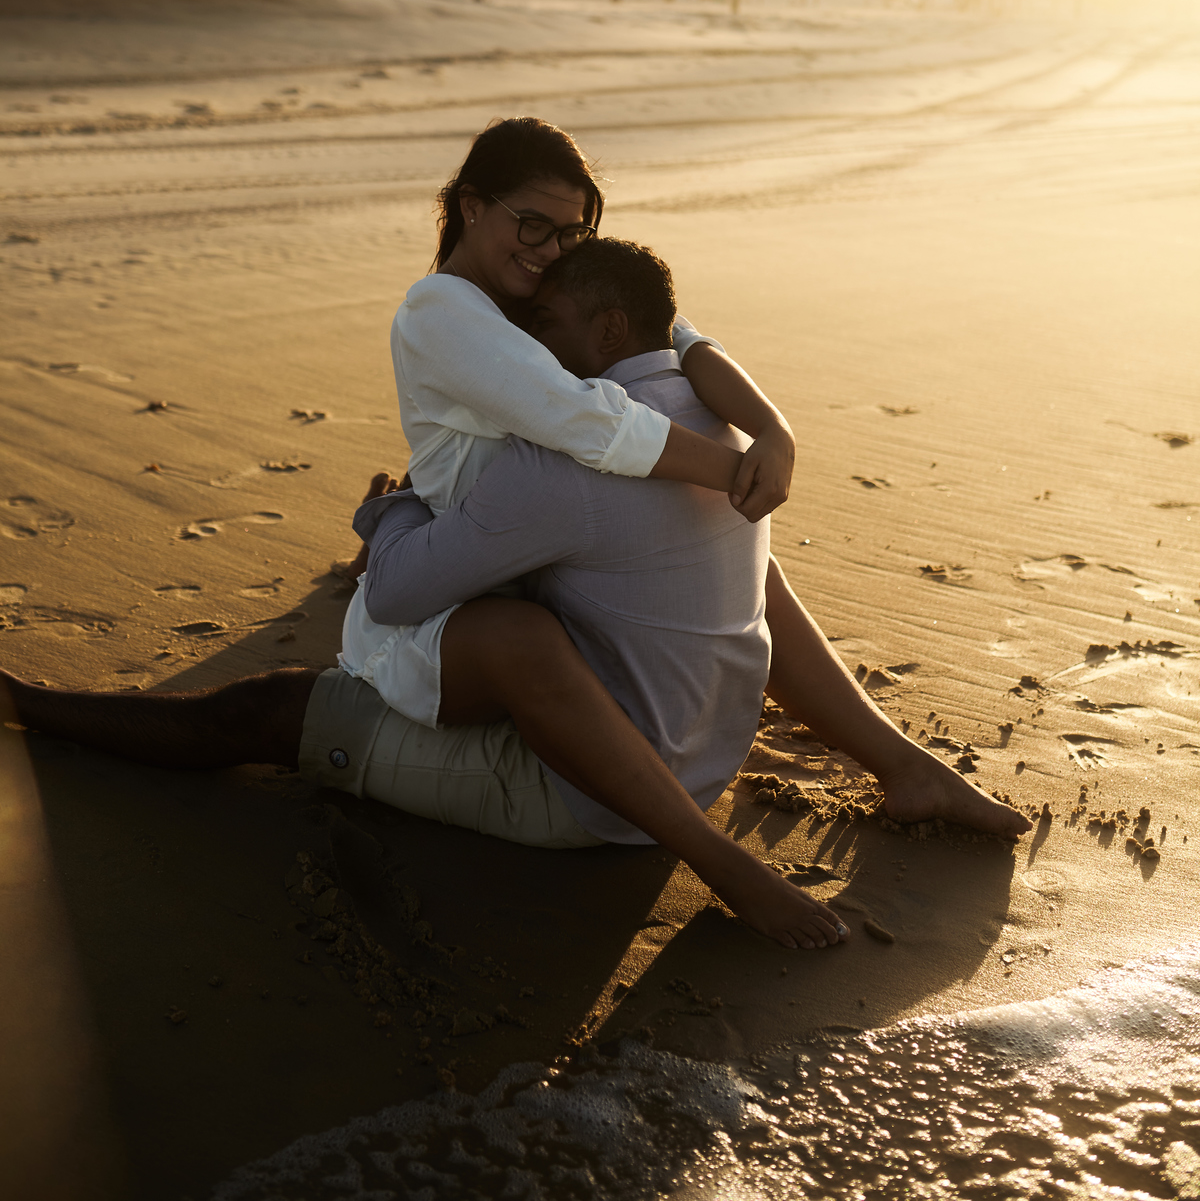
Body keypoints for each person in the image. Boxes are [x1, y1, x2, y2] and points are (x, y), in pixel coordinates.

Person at [2, 242, 1028, 955]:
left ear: (608, 325)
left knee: (275, 708)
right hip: (709, 747)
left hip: (598, 803)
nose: (528, 348)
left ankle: (26, 704)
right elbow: (689, 334)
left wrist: (390, 519)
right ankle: (904, 766)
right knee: (739, 571)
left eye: (544, 325)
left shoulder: (561, 464)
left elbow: (402, 597)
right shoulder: (723, 426)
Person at [338, 115, 796, 734]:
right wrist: (736, 473)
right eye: (532, 225)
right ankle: (386, 534)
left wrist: (772, 429)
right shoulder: (438, 311)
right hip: (469, 575)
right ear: (472, 207)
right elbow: (582, 418)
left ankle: (884, 751)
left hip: (549, 548)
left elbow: (679, 335)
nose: (549, 250)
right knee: (711, 521)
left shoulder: (535, 283)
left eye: (571, 233)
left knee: (743, 558)